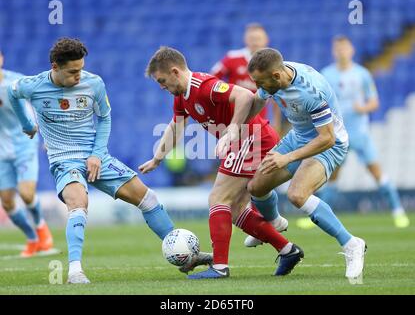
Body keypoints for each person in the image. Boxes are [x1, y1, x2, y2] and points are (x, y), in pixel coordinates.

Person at [7, 38, 211, 284]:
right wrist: (28, 125)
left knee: (148, 198)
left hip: (97, 155)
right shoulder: (34, 85)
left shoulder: (94, 83)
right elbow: (12, 92)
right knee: (78, 202)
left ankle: (185, 255)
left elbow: (104, 119)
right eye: (73, 72)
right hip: (63, 158)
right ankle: (74, 271)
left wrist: (96, 153)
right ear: (55, 67)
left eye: (80, 69)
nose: (78, 76)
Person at [140, 46, 304, 280]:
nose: (162, 87)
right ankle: (288, 250)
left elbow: (245, 96)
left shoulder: (203, 86)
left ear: (175, 72)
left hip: (252, 138)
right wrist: (158, 158)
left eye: (162, 80)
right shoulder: (182, 97)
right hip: (246, 142)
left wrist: (232, 131)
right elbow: (176, 126)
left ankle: (219, 267)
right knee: (235, 210)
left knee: (218, 198)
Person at [245, 47, 366, 284]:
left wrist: (287, 158)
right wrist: (236, 127)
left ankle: (352, 244)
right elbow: (259, 98)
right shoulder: (274, 75)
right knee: (256, 187)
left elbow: (327, 138)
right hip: (299, 137)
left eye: (261, 82)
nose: (259, 87)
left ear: (277, 77)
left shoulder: (310, 92)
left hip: (329, 144)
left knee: (297, 195)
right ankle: (273, 223)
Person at [312, 36, 409, 229]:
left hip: (359, 134)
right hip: (338, 134)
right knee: (333, 176)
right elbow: (319, 100)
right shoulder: (326, 74)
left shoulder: (362, 74)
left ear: (351, 51)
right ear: (334, 51)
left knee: (376, 172)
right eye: (338, 48)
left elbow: (374, 102)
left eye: (344, 48)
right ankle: (320, 217)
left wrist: (362, 108)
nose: (341, 52)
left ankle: (398, 211)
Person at [0, 49, 54, 258]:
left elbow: (38, 107)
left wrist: (47, 136)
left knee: (26, 193)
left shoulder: (16, 83)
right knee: (6, 200)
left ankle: (42, 230)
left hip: (24, 144)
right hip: (1, 151)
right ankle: (32, 239)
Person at [211, 23, 285, 133]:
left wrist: (277, 122)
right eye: (251, 38)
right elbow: (212, 80)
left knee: (256, 149)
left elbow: (278, 97)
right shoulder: (232, 57)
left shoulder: (273, 63)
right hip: (233, 119)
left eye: (258, 38)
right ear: (245, 40)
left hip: (259, 122)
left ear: (266, 40)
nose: (255, 42)